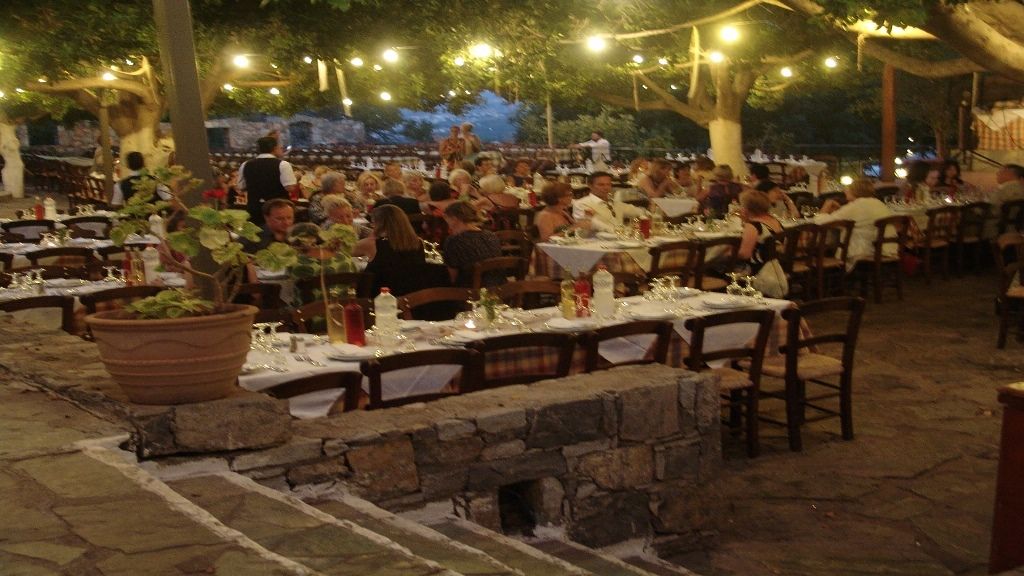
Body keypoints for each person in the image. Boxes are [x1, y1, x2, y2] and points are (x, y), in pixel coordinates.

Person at [361, 205, 443, 296]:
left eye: (373, 223)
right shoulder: (417, 242)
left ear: (380, 224)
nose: (372, 226)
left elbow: (347, 250)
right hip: (411, 297)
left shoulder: (373, 244)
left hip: (380, 296)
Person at [815, 178, 896, 270]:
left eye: (849, 188)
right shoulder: (879, 203)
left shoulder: (856, 206)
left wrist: (826, 206)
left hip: (863, 251)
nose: (846, 190)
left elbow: (820, 222)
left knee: (827, 243)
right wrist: (841, 209)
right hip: (883, 249)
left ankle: (828, 274)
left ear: (854, 191)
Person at [237, 136, 300, 226]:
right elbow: (290, 188)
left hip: (255, 208)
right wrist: (296, 177)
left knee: (257, 236)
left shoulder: (246, 164)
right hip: (278, 210)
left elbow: (241, 187)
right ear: (275, 148)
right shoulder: (283, 164)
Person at [442, 201, 502, 287]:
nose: (448, 225)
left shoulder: (454, 241)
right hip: (500, 288)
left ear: (454, 219)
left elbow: (452, 278)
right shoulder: (491, 235)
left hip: (472, 293)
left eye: (447, 220)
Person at [572, 171, 646, 232]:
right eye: (601, 185)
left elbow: (638, 211)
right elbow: (593, 223)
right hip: (595, 243)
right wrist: (619, 231)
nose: (606, 188)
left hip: (620, 241)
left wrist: (650, 214)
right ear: (590, 186)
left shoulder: (614, 203)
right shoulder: (582, 204)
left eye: (608, 184)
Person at [737, 190, 783, 275]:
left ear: (747, 208)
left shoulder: (754, 225)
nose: (740, 208)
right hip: (776, 267)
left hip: (758, 270)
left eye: (741, 205)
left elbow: (745, 254)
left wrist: (730, 253)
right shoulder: (775, 221)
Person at [986, 164, 1024, 237]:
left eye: (1000, 171)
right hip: (1017, 229)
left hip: (996, 229)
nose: (997, 173)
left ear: (1009, 173)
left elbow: (991, 209)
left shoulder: (1004, 188)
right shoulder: (1021, 188)